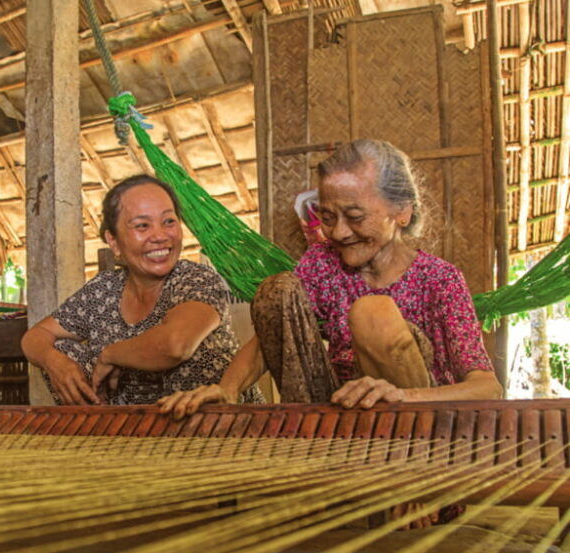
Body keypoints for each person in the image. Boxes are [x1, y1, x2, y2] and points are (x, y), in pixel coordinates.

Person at [158, 139, 502, 418]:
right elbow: (271, 334)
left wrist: (402, 395)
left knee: (373, 314)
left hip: (414, 426)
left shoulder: (440, 280)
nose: (338, 232)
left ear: (402, 212)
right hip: (338, 416)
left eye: (354, 216)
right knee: (276, 289)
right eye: (327, 216)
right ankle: (308, 441)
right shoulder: (322, 264)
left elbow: (487, 387)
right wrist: (228, 389)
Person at [21, 174, 262, 406]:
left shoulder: (196, 280)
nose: (159, 236)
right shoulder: (103, 290)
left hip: (217, 428)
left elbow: (175, 345)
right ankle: (98, 437)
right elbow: (35, 337)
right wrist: (53, 361)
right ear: (113, 241)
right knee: (62, 350)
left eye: (169, 221)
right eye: (142, 226)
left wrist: (110, 354)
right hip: (134, 433)